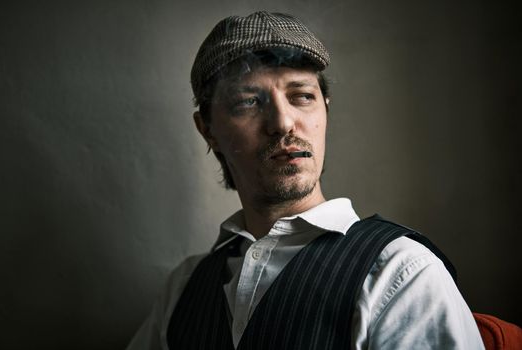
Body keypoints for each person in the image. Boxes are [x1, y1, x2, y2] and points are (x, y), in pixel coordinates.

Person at [127, 11, 484, 349]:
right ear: (208, 131)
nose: (283, 123)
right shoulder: (184, 288)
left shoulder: (401, 273)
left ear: (325, 109)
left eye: (302, 97)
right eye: (248, 102)